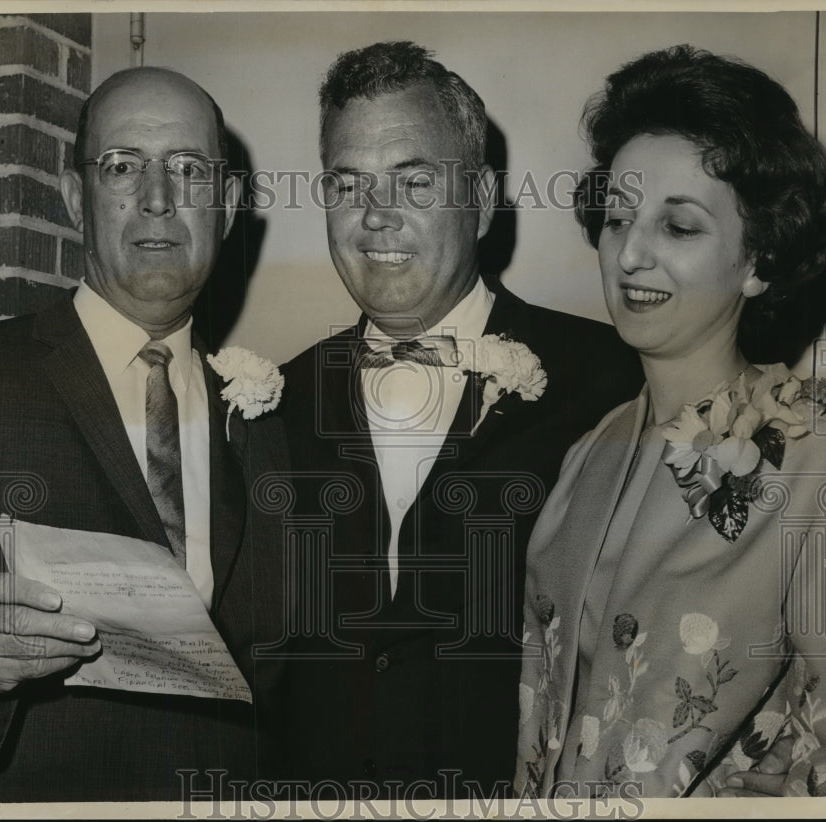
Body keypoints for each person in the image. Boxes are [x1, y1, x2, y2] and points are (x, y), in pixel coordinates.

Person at [274, 41, 643, 796]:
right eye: (348, 185)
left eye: (411, 181)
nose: (375, 218)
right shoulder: (273, 401)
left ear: (478, 201)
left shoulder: (611, 379)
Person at [0, 66, 288, 802]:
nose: (157, 198)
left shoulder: (273, 420)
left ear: (229, 202)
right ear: (74, 197)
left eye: (188, 168)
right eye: (122, 167)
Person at [515, 45, 826, 798]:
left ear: (758, 260)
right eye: (618, 219)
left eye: (679, 228)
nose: (631, 254)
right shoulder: (593, 451)